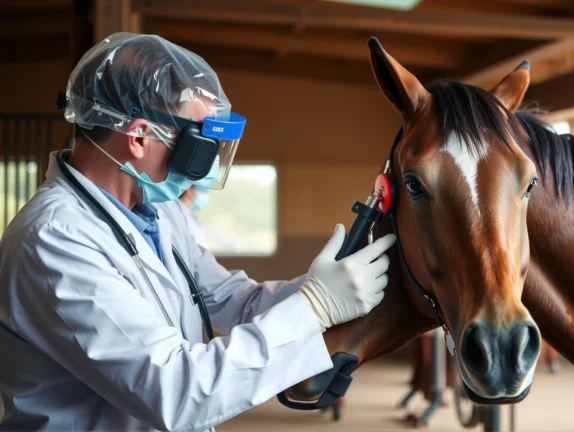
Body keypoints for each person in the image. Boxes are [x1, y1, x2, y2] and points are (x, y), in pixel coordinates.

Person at [0, 33, 395, 431]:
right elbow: (175, 390)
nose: (203, 169)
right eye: (200, 144)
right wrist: (315, 307)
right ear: (139, 136)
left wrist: (324, 288)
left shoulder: (159, 211)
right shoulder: (54, 240)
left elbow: (230, 300)